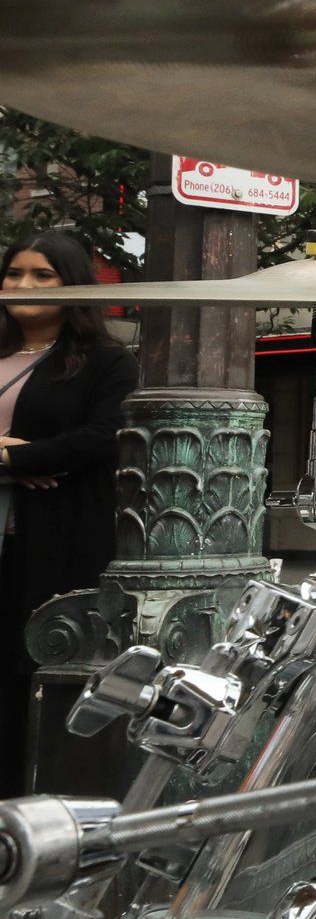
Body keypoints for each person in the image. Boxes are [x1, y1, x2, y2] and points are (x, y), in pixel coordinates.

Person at [0, 231, 138, 799]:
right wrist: (15, 459)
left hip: (53, 541)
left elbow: (103, 439)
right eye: (13, 273)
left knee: (30, 668)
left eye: (42, 275)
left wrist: (16, 455)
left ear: (74, 284)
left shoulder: (106, 361)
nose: (21, 285)